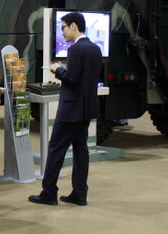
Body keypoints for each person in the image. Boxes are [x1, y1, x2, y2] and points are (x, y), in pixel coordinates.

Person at [28, 12, 102, 207]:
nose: (62, 33)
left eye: (64, 28)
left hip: (70, 110)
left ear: (74, 26)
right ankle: (80, 193)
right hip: (86, 109)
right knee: (80, 150)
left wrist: (57, 70)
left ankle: (49, 192)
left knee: (56, 149)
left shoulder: (76, 50)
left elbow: (71, 79)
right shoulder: (95, 49)